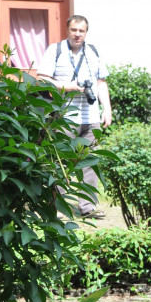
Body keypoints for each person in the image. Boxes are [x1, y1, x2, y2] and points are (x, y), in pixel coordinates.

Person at [36, 14, 112, 219]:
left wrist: (107, 109)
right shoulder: (56, 50)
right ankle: (59, 209)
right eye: (74, 30)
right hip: (65, 117)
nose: (77, 34)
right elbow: (42, 79)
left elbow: (101, 83)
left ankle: (87, 208)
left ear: (86, 32)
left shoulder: (93, 52)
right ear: (67, 30)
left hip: (91, 117)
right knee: (60, 161)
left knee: (89, 163)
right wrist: (66, 86)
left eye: (82, 31)